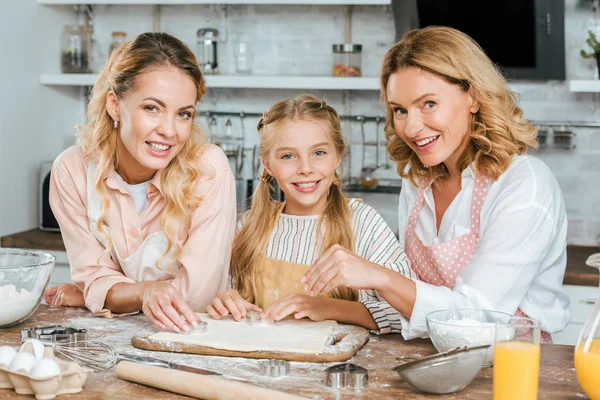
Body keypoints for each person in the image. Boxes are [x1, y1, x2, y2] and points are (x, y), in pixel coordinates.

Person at [303, 26, 570, 342]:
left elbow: (475, 321)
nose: (412, 127)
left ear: (472, 95)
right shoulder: (418, 182)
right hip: (432, 359)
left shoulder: (524, 185)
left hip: (511, 371)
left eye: (428, 104)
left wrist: (379, 277)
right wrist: (331, 305)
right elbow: (410, 304)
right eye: (400, 110)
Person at [43, 32, 236, 333]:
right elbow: (96, 280)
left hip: (197, 338)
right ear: (115, 106)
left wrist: (98, 296)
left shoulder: (208, 170)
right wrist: (131, 292)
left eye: (183, 114)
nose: (169, 131)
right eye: (152, 108)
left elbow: (199, 295)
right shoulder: (72, 171)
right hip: (115, 341)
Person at [206, 94, 415, 332]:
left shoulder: (364, 223)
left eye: (318, 153)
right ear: (267, 164)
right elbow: (223, 296)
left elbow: (410, 315)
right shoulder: (249, 227)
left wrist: (326, 308)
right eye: (288, 156)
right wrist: (226, 302)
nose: (305, 168)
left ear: (337, 156)